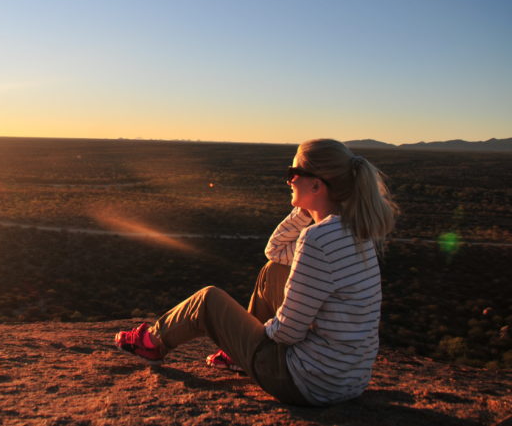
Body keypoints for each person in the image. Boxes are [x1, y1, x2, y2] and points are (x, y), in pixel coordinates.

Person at [114, 138, 398, 406]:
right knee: (272, 271)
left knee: (208, 300)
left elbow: (287, 333)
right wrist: (309, 209)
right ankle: (237, 357)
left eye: (294, 172)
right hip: (349, 380)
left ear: (317, 185)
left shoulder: (318, 239)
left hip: (307, 384)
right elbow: (275, 252)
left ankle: (152, 342)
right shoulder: (355, 228)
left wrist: (252, 333)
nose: (289, 180)